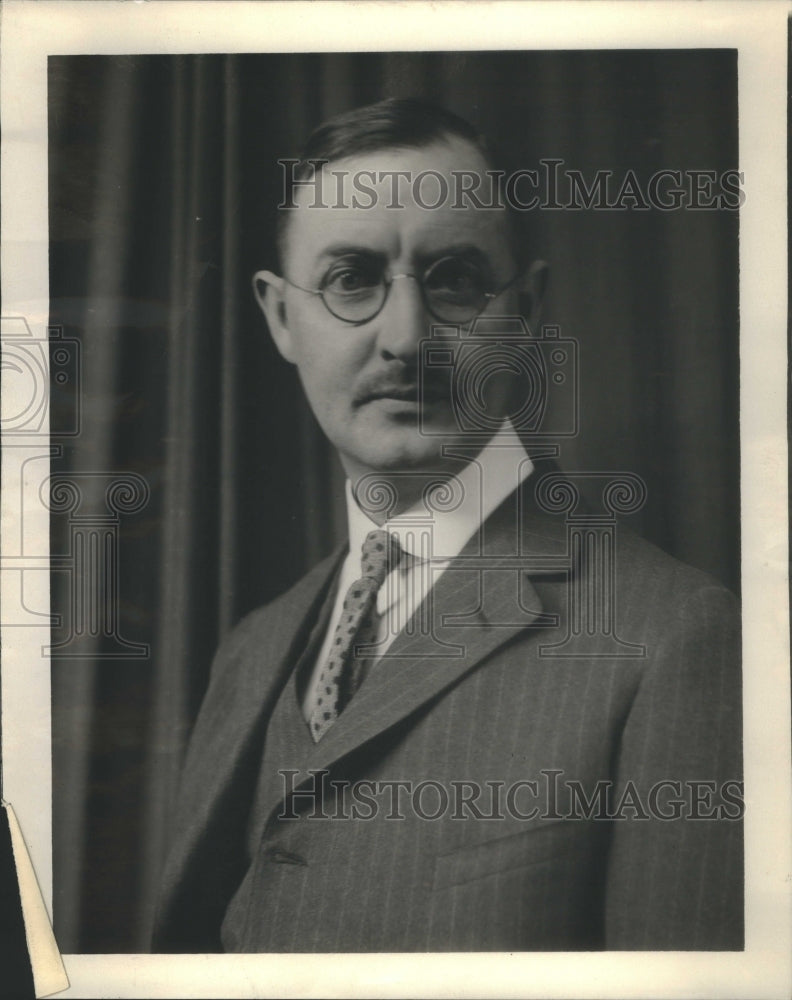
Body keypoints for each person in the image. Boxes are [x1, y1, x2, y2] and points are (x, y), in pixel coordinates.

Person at [151, 98, 742, 953]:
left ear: (528, 309)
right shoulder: (253, 649)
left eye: (455, 279)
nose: (405, 338)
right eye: (351, 278)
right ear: (281, 317)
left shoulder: (672, 638)